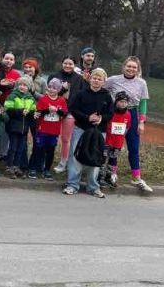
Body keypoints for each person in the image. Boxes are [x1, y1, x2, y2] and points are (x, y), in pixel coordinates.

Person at [105, 57, 152, 192]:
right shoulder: (113, 80)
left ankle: (137, 177)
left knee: (133, 146)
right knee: (114, 144)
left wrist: (141, 122)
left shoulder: (141, 83)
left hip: (132, 114)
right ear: (124, 66)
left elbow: (143, 103)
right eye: (129, 66)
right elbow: (100, 87)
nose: (131, 69)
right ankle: (112, 173)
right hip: (117, 114)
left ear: (138, 69)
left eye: (134, 67)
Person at [64, 68, 113, 198]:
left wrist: (101, 119)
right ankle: (72, 185)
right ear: (90, 79)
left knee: (95, 157)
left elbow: (110, 113)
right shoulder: (81, 94)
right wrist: (87, 118)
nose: (96, 81)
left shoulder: (107, 96)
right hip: (81, 128)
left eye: (99, 79)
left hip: (99, 131)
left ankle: (93, 187)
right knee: (75, 156)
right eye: (94, 78)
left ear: (103, 82)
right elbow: (73, 109)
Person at [28, 78, 68, 180]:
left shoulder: (61, 100)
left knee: (50, 151)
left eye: (54, 88)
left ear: (58, 90)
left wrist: (57, 110)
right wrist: (47, 110)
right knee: (38, 148)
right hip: (42, 129)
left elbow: (64, 114)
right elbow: (38, 113)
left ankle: (47, 170)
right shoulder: (43, 99)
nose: (51, 89)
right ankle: (32, 168)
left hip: (54, 131)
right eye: (50, 87)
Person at [51, 56, 84, 174]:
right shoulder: (54, 76)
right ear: (62, 63)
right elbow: (50, 93)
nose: (68, 66)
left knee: (66, 139)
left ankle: (64, 163)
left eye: (70, 64)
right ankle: (46, 160)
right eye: (65, 63)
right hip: (54, 110)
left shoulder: (79, 78)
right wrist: (62, 90)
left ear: (74, 65)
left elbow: (81, 96)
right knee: (51, 136)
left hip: (70, 112)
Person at [3, 76, 36, 178]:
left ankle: (16, 167)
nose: (22, 87)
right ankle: (9, 167)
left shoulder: (31, 98)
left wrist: (32, 113)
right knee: (12, 148)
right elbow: (8, 110)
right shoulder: (12, 96)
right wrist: (20, 111)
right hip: (13, 126)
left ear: (28, 87)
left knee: (20, 148)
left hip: (24, 128)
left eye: (25, 85)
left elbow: (33, 110)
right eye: (20, 84)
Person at [98, 91, 132, 190]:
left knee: (113, 160)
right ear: (116, 102)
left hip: (118, 143)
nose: (123, 104)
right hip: (107, 141)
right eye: (121, 101)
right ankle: (100, 178)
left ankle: (109, 178)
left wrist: (121, 139)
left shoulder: (128, 114)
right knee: (103, 159)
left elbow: (127, 127)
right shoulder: (111, 112)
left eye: (125, 102)